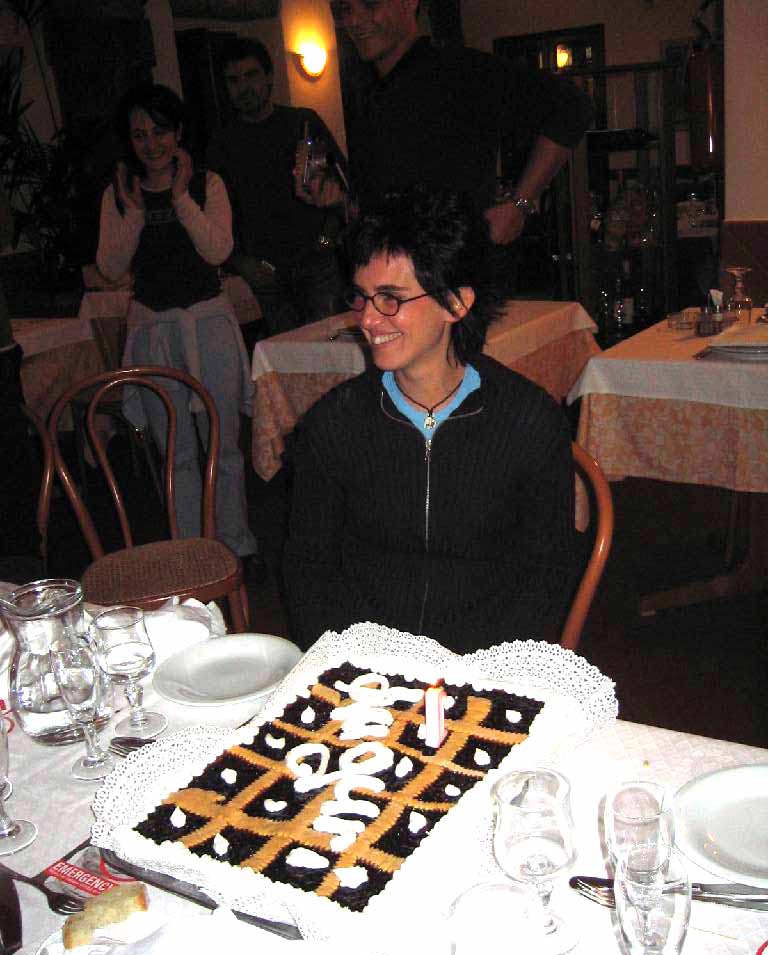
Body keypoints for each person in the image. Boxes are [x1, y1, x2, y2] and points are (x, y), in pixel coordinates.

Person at [282, 187, 579, 654]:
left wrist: (488, 670)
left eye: (391, 298)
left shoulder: (528, 422)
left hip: (485, 660)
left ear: (456, 303)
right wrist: (344, 661)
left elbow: (548, 572)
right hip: (366, 664)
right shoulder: (334, 424)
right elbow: (308, 567)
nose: (368, 320)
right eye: (362, 297)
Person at [298, 0, 592, 279]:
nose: (354, 19)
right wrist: (339, 200)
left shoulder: (460, 71)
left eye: (370, 4)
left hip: (455, 277)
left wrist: (520, 204)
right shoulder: (366, 92)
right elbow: (380, 201)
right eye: (344, 9)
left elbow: (572, 108)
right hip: (390, 279)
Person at [96, 83, 258, 563]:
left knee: (222, 444)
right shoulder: (120, 194)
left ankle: (235, 544)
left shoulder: (208, 183)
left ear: (178, 132)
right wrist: (137, 212)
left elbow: (218, 250)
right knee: (176, 451)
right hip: (153, 331)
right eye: (140, 135)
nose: (151, 144)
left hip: (208, 324)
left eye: (159, 131)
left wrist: (181, 197)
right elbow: (110, 267)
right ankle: (191, 552)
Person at [207, 38, 348, 335]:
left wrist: (327, 240)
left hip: (316, 264)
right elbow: (217, 213)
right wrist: (241, 262)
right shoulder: (222, 143)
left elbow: (342, 182)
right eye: (233, 80)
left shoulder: (302, 123)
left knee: (331, 352)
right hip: (265, 273)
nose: (243, 87)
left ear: (269, 77)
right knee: (284, 357)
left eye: (251, 75)